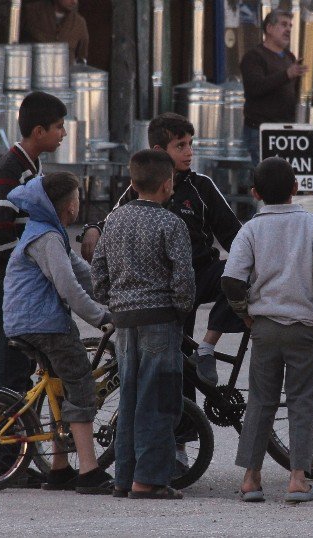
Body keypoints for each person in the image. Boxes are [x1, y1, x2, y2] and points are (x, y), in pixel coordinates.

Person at [80, 113, 244, 389]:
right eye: (180, 145)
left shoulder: (201, 187)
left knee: (241, 269)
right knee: (177, 370)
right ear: (158, 151)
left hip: (199, 278)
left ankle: (207, 347)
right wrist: (93, 229)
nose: (189, 152)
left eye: (191, 144)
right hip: (160, 289)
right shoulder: (141, 186)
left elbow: (236, 239)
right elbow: (112, 220)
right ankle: (184, 427)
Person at [222, 157, 313, 503]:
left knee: (261, 401)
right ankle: (297, 479)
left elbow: (231, 280)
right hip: (304, 327)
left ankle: (250, 478)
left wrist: (245, 314)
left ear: (255, 192)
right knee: (303, 400)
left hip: (264, 328)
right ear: (296, 188)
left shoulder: (250, 230)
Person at [91, 150, 195, 500]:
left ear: (132, 184)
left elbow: (98, 273)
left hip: (123, 322)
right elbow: (184, 279)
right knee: (159, 401)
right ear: (168, 185)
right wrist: (181, 311)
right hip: (160, 321)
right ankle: (148, 480)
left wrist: (115, 301)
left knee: (131, 398)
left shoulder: (115, 220)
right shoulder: (172, 224)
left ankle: (124, 477)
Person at [3, 171, 114, 494]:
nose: (79, 204)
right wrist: (100, 318)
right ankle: (90, 472)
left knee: (58, 389)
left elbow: (82, 273)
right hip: (44, 324)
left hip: (28, 321)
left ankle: (60, 467)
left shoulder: (47, 232)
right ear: (68, 206)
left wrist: (112, 294)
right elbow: (68, 288)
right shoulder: (48, 239)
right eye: (78, 198)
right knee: (80, 383)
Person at [0, 90, 67, 486]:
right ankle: (0, 465)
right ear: (38, 131)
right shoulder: (10, 171)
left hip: (22, 284)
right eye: (59, 127)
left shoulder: (32, 167)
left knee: (24, 370)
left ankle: (16, 458)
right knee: (12, 370)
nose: (63, 133)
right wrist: (38, 259)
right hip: (10, 284)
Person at [240, 9, 307, 165]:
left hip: (286, 131)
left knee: (283, 180)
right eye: (284, 24)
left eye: (290, 25)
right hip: (261, 131)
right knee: (264, 179)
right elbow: (254, 88)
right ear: (269, 28)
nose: (288, 29)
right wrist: (287, 74)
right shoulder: (254, 56)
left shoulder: (290, 57)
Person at [21, 0, 89, 64]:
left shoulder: (79, 23)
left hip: (65, 73)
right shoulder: (31, 12)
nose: (74, 1)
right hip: (34, 71)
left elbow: (81, 56)